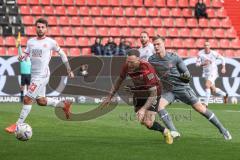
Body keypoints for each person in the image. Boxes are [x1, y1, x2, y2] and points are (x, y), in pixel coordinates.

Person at [148, 35, 232, 140]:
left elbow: (186, 73)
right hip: (169, 91)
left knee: (201, 109)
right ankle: (174, 131)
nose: (156, 46)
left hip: (182, 88)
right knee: (159, 106)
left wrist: (183, 81)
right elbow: (150, 74)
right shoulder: (151, 60)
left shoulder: (174, 57)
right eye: (154, 44)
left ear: (164, 44)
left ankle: (223, 130)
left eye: (158, 44)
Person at [5, 18, 75, 133]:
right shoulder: (30, 42)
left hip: (42, 75)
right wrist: (22, 56)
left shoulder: (51, 42)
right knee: (41, 101)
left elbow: (62, 53)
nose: (40, 29)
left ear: (46, 29)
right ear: (35, 28)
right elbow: (27, 54)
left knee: (27, 98)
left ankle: (18, 125)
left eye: (43, 27)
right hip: (34, 75)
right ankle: (64, 105)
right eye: (39, 27)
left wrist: (68, 69)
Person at [101, 49, 173, 144]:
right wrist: (110, 96)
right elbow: (120, 79)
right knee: (143, 121)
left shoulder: (147, 68)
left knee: (148, 122)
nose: (129, 65)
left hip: (153, 93)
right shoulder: (127, 66)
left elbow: (153, 93)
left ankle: (166, 132)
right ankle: (163, 130)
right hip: (139, 92)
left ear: (138, 59)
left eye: (132, 62)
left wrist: (143, 109)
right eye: (128, 62)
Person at [196, 41, 228, 107]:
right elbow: (197, 64)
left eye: (208, 45)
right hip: (206, 73)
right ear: (203, 46)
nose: (206, 47)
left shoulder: (214, 53)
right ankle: (225, 95)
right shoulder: (200, 54)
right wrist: (203, 64)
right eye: (205, 45)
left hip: (213, 72)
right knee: (213, 89)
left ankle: (205, 104)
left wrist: (223, 68)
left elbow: (222, 58)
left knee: (207, 85)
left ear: (210, 46)